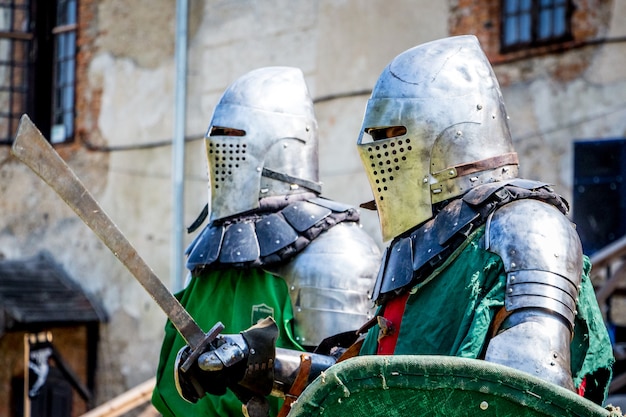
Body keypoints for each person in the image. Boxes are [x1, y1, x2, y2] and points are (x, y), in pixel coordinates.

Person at [170, 36, 614, 411]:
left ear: (450, 133)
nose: (373, 151)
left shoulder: (524, 229)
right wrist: (257, 363)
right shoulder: (427, 251)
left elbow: (524, 393)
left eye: (389, 137)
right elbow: (369, 380)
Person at [151, 66, 381, 417]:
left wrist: (259, 363)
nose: (221, 147)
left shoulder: (335, 252)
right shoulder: (211, 255)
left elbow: (346, 385)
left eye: (233, 136)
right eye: (218, 136)